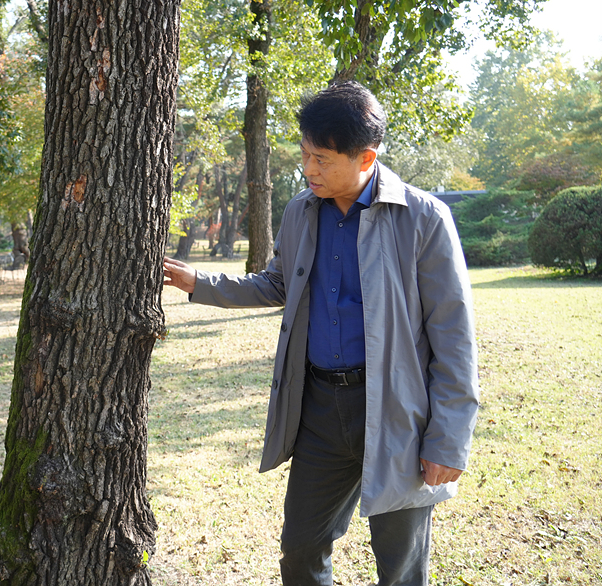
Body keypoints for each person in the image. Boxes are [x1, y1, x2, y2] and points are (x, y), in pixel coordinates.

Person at [163, 82, 478, 586]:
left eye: (323, 158)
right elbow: (278, 284)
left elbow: (454, 334)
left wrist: (449, 439)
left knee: (400, 567)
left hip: (398, 412)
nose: (309, 169)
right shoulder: (300, 211)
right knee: (301, 549)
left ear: (366, 156)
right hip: (320, 409)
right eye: (305, 155)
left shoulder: (423, 218)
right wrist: (199, 283)